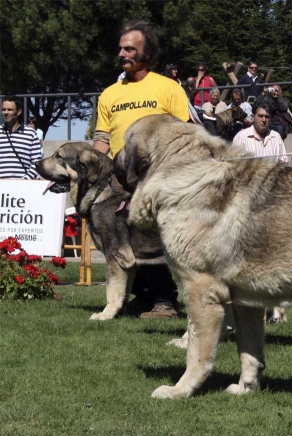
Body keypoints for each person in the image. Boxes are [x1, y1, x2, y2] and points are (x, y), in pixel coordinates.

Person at [93, 19, 190, 319]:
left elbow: (184, 134)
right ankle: (144, 297)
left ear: (146, 53)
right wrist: (94, 174)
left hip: (159, 178)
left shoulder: (168, 88)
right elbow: (102, 138)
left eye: (129, 49)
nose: (122, 53)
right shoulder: (109, 94)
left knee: (156, 237)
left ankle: (164, 301)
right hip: (121, 182)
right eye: (120, 48)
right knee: (129, 237)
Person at [232, 95, 288, 164]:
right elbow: (234, 165)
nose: (264, 120)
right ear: (253, 117)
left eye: (267, 117)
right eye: (260, 116)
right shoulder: (241, 137)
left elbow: (284, 162)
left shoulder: (276, 137)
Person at [0, 97, 42, 179]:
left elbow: (36, 162)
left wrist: (24, 181)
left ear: (19, 111)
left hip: (22, 187)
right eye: (3, 109)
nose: (6, 112)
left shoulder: (30, 134)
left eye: (9, 109)